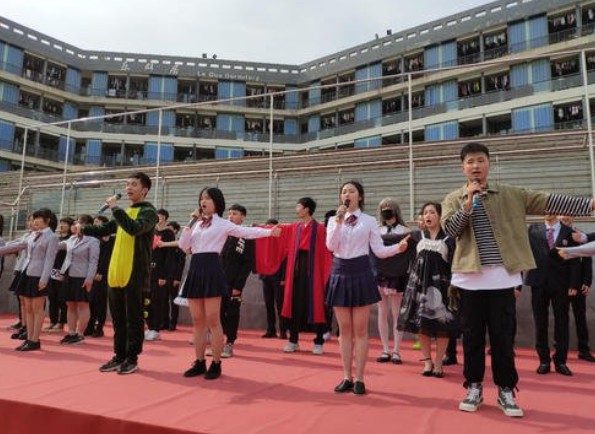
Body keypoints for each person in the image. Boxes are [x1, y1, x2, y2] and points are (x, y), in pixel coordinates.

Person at [442, 142, 595, 417]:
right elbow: (452, 230)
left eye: (480, 160)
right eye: (470, 162)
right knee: (472, 337)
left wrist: (589, 204)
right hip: (468, 279)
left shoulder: (511, 194)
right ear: (462, 167)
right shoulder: (453, 198)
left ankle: (506, 389)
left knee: (502, 338)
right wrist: (467, 204)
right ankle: (474, 386)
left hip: (502, 279)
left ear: (489, 164)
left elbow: (547, 200)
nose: (476, 166)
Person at [178, 187, 280, 380]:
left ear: (217, 202)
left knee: (213, 320)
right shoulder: (196, 224)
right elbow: (184, 246)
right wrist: (190, 224)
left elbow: (246, 232)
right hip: (195, 270)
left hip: (212, 269)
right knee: (198, 321)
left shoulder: (223, 224)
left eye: (208, 198)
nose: (203, 201)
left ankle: (216, 363)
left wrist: (268, 232)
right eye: (201, 198)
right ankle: (199, 362)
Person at [326, 181, 408, 395]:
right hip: (340, 271)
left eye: (351, 191)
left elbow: (378, 250)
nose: (347, 194)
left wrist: (397, 248)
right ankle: (347, 376)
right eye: (344, 191)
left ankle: (360, 378)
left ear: (360, 196)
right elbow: (331, 246)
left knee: (361, 330)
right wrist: (338, 222)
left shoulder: (369, 221)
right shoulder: (334, 220)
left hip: (361, 272)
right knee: (344, 330)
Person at [81, 172, 157, 375]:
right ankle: (119, 355)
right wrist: (83, 229)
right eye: (127, 184)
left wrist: (115, 208)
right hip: (116, 272)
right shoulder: (125, 212)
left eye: (134, 184)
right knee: (117, 318)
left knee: (134, 319)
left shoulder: (149, 212)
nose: (128, 188)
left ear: (145, 190)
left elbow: (134, 228)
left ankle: (132, 358)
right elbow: (104, 229)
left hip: (135, 273)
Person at [397, 201, 457, 378]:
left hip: (441, 288)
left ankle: (439, 363)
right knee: (421, 326)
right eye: (425, 213)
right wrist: (399, 246)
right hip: (419, 288)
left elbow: (455, 263)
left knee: (442, 327)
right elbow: (393, 244)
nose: (428, 216)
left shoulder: (449, 239)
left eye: (432, 212)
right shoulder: (416, 236)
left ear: (440, 216)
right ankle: (428, 362)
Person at [524, 214, 580, 376]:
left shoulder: (569, 232)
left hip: (561, 284)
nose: (548, 211)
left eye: (551, 207)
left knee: (562, 321)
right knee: (540, 322)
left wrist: (574, 284)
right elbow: (523, 253)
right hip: (538, 282)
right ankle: (544, 360)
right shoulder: (532, 230)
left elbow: (575, 260)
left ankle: (560, 361)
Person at [0, 208, 59, 351]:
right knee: (28, 309)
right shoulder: (33, 235)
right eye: (34, 219)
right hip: (27, 273)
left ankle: (35, 339)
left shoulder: (52, 237)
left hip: (39, 275)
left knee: (37, 309)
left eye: (38, 218)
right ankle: (29, 338)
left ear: (47, 220)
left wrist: (44, 279)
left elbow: (49, 260)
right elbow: (17, 245)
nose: (35, 221)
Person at [279, 197, 332, 355]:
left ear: (307, 209)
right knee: (294, 306)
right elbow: (279, 232)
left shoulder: (320, 229)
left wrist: (326, 275)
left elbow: (325, 253)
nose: (296, 210)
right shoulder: (295, 227)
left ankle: (318, 341)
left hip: (313, 273)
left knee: (316, 305)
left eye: (299, 207)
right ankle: (293, 340)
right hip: (296, 272)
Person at [373, 198, 414, 364]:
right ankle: (385, 349)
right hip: (379, 275)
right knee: (382, 312)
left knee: (397, 313)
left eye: (389, 206)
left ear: (396, 209)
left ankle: (396, 350)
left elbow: (409, 255)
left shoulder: (405, 230)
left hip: (398, 275)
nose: (386, 209)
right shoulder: (377, 230)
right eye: (383, 207)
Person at [219, 204, 255, 358]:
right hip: (218, 282)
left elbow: (247, 264)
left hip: (233, 283)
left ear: (243, 217)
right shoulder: (222, 233)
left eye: (234, 213)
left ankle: (229, 343)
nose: (230, 216)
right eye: (229, 213)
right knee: (217, 313)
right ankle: (218, 342)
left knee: (232, 313)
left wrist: (238, 285)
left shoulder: (246, 236)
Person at [58, 214, 100, 345]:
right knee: (70, 304)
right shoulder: (71, 238)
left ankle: (80, 334)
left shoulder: (93, 241)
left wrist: (89, 279)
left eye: (78, 222)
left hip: (83, 277)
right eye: (75, 222)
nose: (75, 224)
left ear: (87, 225)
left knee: (83, 305)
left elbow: (93, 262)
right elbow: (58, 245)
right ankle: (71, 333)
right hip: (69, 275)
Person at [145, 208, 175, 341]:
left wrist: (164, 275)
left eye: (160, 216)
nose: (158, 218)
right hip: (148, 272)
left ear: (165, 218)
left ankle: (156, 328)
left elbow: (170, 255)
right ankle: (150, 326)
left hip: (160, 272)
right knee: (147, 300)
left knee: (157, 301)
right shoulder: (151, 231)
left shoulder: (168, 233)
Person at [257, 218, 287, 339]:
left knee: (280, 304)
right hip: (266, 277)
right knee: (268, 304)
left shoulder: (282, 242)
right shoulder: (263, 241)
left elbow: (285, 261)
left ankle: (283, 330)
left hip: (278, 277)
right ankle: (271, 330)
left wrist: (284, 277)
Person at [86, 214, 114, 338]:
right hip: (92, 272)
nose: (95, 224)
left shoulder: (111, 240)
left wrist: (101, 272)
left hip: (103, 274)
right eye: (94, 222)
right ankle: (90, 325)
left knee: (100, 301)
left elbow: (108, 258)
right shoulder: (94, 238)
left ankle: (99, 327)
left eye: (97, 222)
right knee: (91, 301)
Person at [45, 216, 73, 333]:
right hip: (52, 270)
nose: (62, 225)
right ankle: (53, 321)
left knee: (61, 298)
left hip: (63, 271)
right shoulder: (56, 238)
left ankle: (61, 323)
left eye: (65, 223)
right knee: (52, 297)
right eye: (61, 223)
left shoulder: (71, 239)